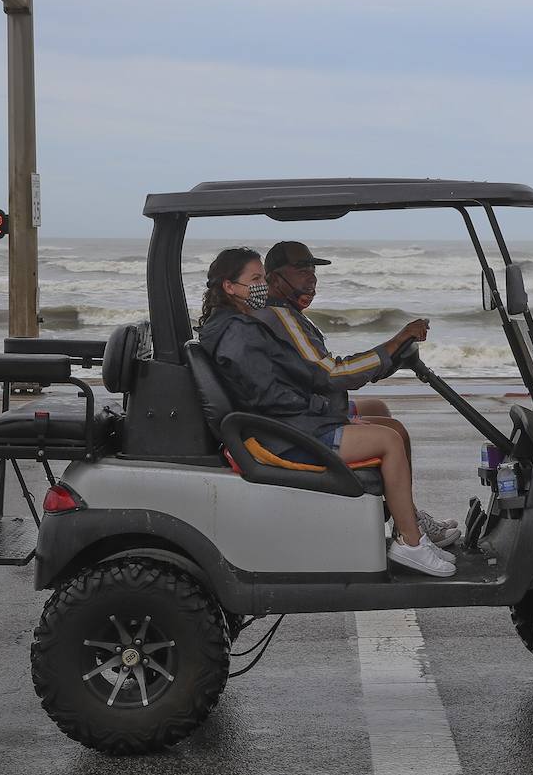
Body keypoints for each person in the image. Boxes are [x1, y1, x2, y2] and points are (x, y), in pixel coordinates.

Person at [196, 247, 455, 577]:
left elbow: (293, 378)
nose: (311, 277)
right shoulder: (247, 329)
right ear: (230, 286)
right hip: (283, 433)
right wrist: (330, 410)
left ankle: (409, 524)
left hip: (283, 422)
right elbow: (300, 385)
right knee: (389, 440)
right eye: (256, 279)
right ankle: (410, 544)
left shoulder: (241, 322)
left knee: (387, 422)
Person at [257, 240, 458, 546]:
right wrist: (397, 339)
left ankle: (408, 516)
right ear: (272, 278)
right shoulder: (281, 317)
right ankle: (411, 539)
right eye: (301, 269)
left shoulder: (290, 315)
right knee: (392, 434)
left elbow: (325, 372)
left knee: (381, 410)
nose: (311, 277)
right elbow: (334, 374)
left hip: (307, 408)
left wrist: (388, 357)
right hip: (300, 424)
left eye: (313, 269)